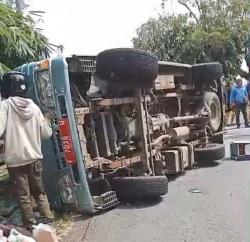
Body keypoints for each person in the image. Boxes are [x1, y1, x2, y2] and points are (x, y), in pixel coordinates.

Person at [0, 72, 53, 230]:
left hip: (15, 161)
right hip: (34, 158)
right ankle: (48, 221)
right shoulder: (34, 107)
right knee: (39, 192)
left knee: (24, 196)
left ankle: (31, 226)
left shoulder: (5, 106)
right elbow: (46, 133)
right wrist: (47, 120)